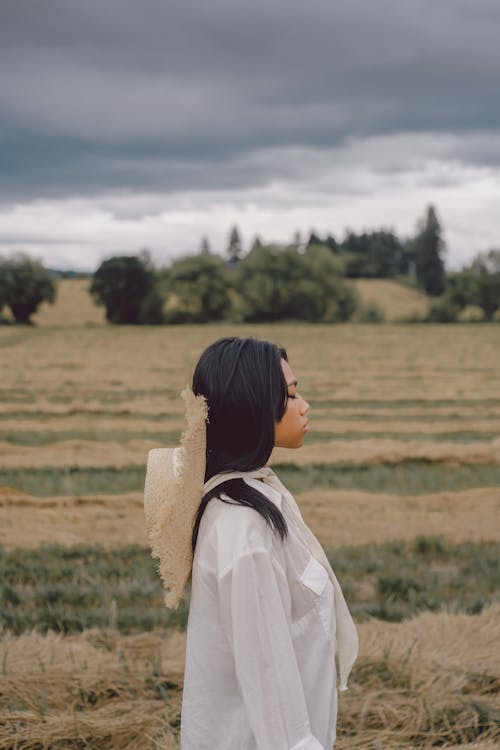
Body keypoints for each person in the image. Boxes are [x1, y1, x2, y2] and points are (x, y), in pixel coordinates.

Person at [144, 336, 358, 750]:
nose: (305, 405)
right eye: (292, 394)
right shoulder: (244, 532)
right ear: (255, 406)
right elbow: (271, 686)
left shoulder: (250, 501)